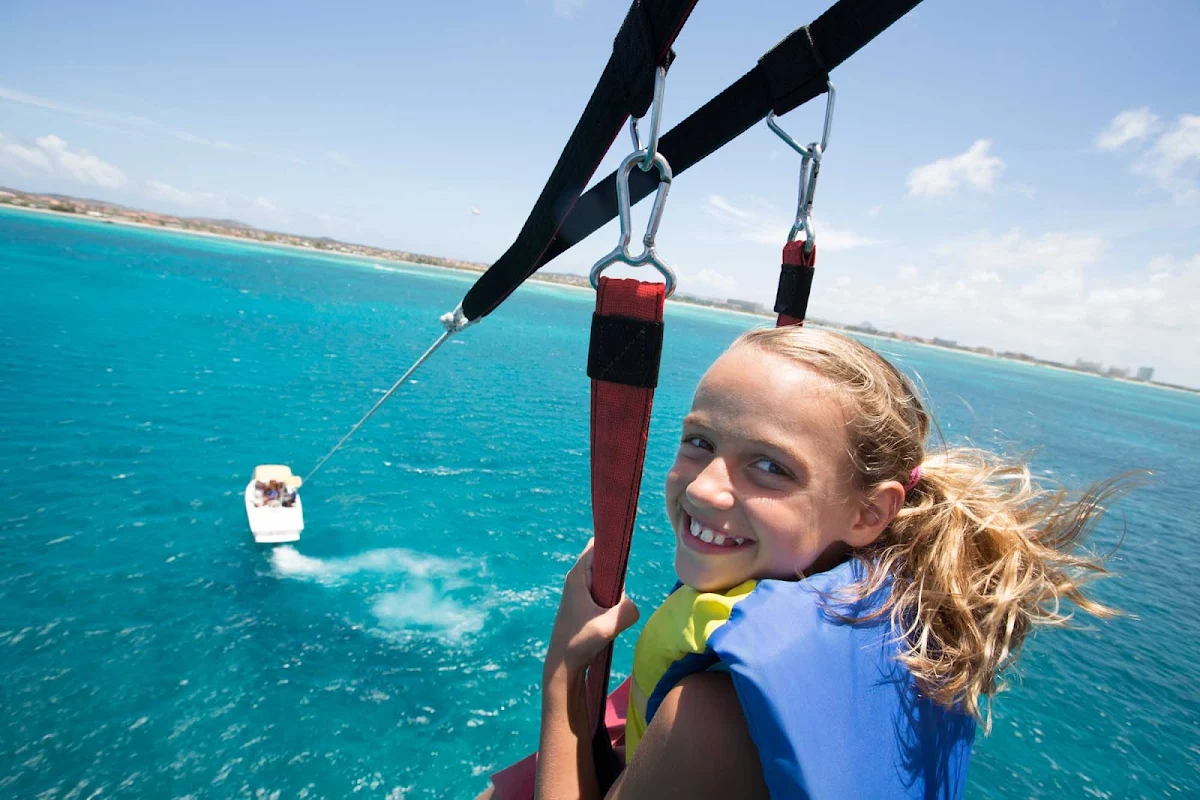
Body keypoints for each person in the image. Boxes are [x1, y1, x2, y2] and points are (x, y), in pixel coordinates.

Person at [490, 326, 1126, 799]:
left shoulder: (708, 717)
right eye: (699, 441)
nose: (705, 488)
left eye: (771, 466)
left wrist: (562, 673)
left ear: (869, 513)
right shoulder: (907, 618)